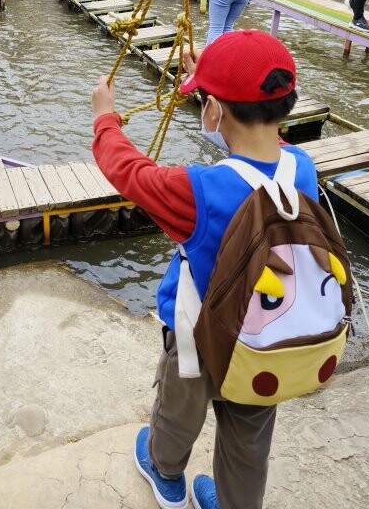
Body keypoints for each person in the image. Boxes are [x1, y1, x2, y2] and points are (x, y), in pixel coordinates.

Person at [91, 29, 318, 509]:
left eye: (204, 103)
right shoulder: (304, 167)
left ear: (213, 111)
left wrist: (104, 119)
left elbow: (127, 170)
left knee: (179, 410)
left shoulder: (198, 192)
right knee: (250, 437)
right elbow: (264, 149)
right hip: (268, 335)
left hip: (199, 337)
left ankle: (166, 474)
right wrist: (214, 77)